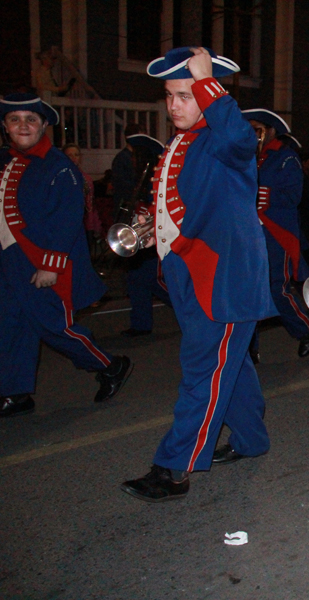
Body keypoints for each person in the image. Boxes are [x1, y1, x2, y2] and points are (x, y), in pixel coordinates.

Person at [120, 47, 276, 501]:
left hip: (223, 276)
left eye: (185, 95)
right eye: (170, 96)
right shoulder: (180, 143)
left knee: (202, 370)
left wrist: (209, 85)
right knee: (230, 363)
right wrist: (153, 228)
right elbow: (187, 203)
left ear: (211, 93)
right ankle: (252, 440)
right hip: (190, 270)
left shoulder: (224, 136)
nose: (175, 106)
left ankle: (174, 468)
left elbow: (242, 141)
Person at [0, 94, 132, 418]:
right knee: (11, 325)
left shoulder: (59, 166)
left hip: (40, 261)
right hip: (10, 261)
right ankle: (16, 393)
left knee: (51, 326)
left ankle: (109, 365)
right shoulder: (6, 160)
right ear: (4, 126)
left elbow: (68, 219)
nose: (23, 126)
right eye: (15, 119)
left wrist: (50, 265)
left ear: (44, 125)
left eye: (31, 119)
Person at [241, 108, 309, 360]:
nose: (252, 135)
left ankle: (304, 328)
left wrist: (267, 195)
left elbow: (294, 196)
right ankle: (249, 348)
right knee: (247, 290)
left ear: (269, 130)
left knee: (276, 288)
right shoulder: (248, 156)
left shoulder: (286, 157)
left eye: (256, 129)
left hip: (276, 232)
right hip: (249, 231)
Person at [120, 134, 173, 337]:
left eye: (135, 155)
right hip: (140, 230)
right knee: (135, 279)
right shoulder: (139, 178)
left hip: (153, 233)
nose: (132, 159)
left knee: (154, 280)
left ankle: (192, 310)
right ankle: (140, 324)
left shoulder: (156, 175)